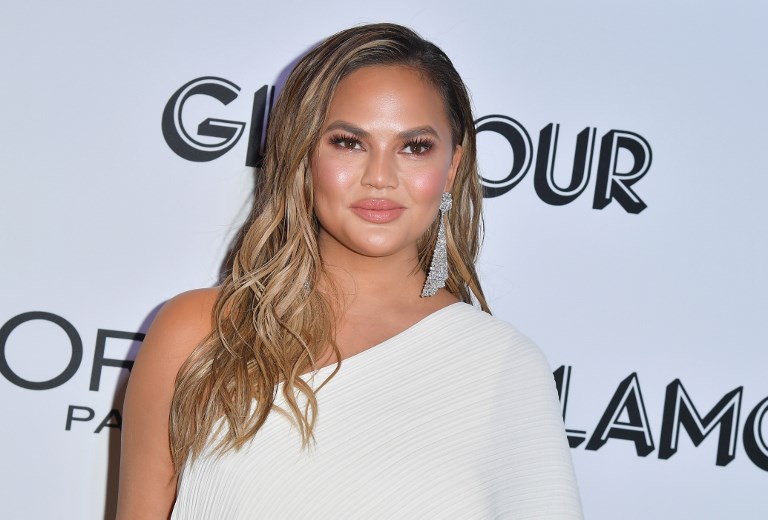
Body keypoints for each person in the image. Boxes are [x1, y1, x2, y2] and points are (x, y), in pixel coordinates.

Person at [116, 22, 583, 519]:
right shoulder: (201, 333)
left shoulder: (504, 366)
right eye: (349, 142)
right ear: (302, 154)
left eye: (414, 147)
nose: (380, 177)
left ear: (452, 166)